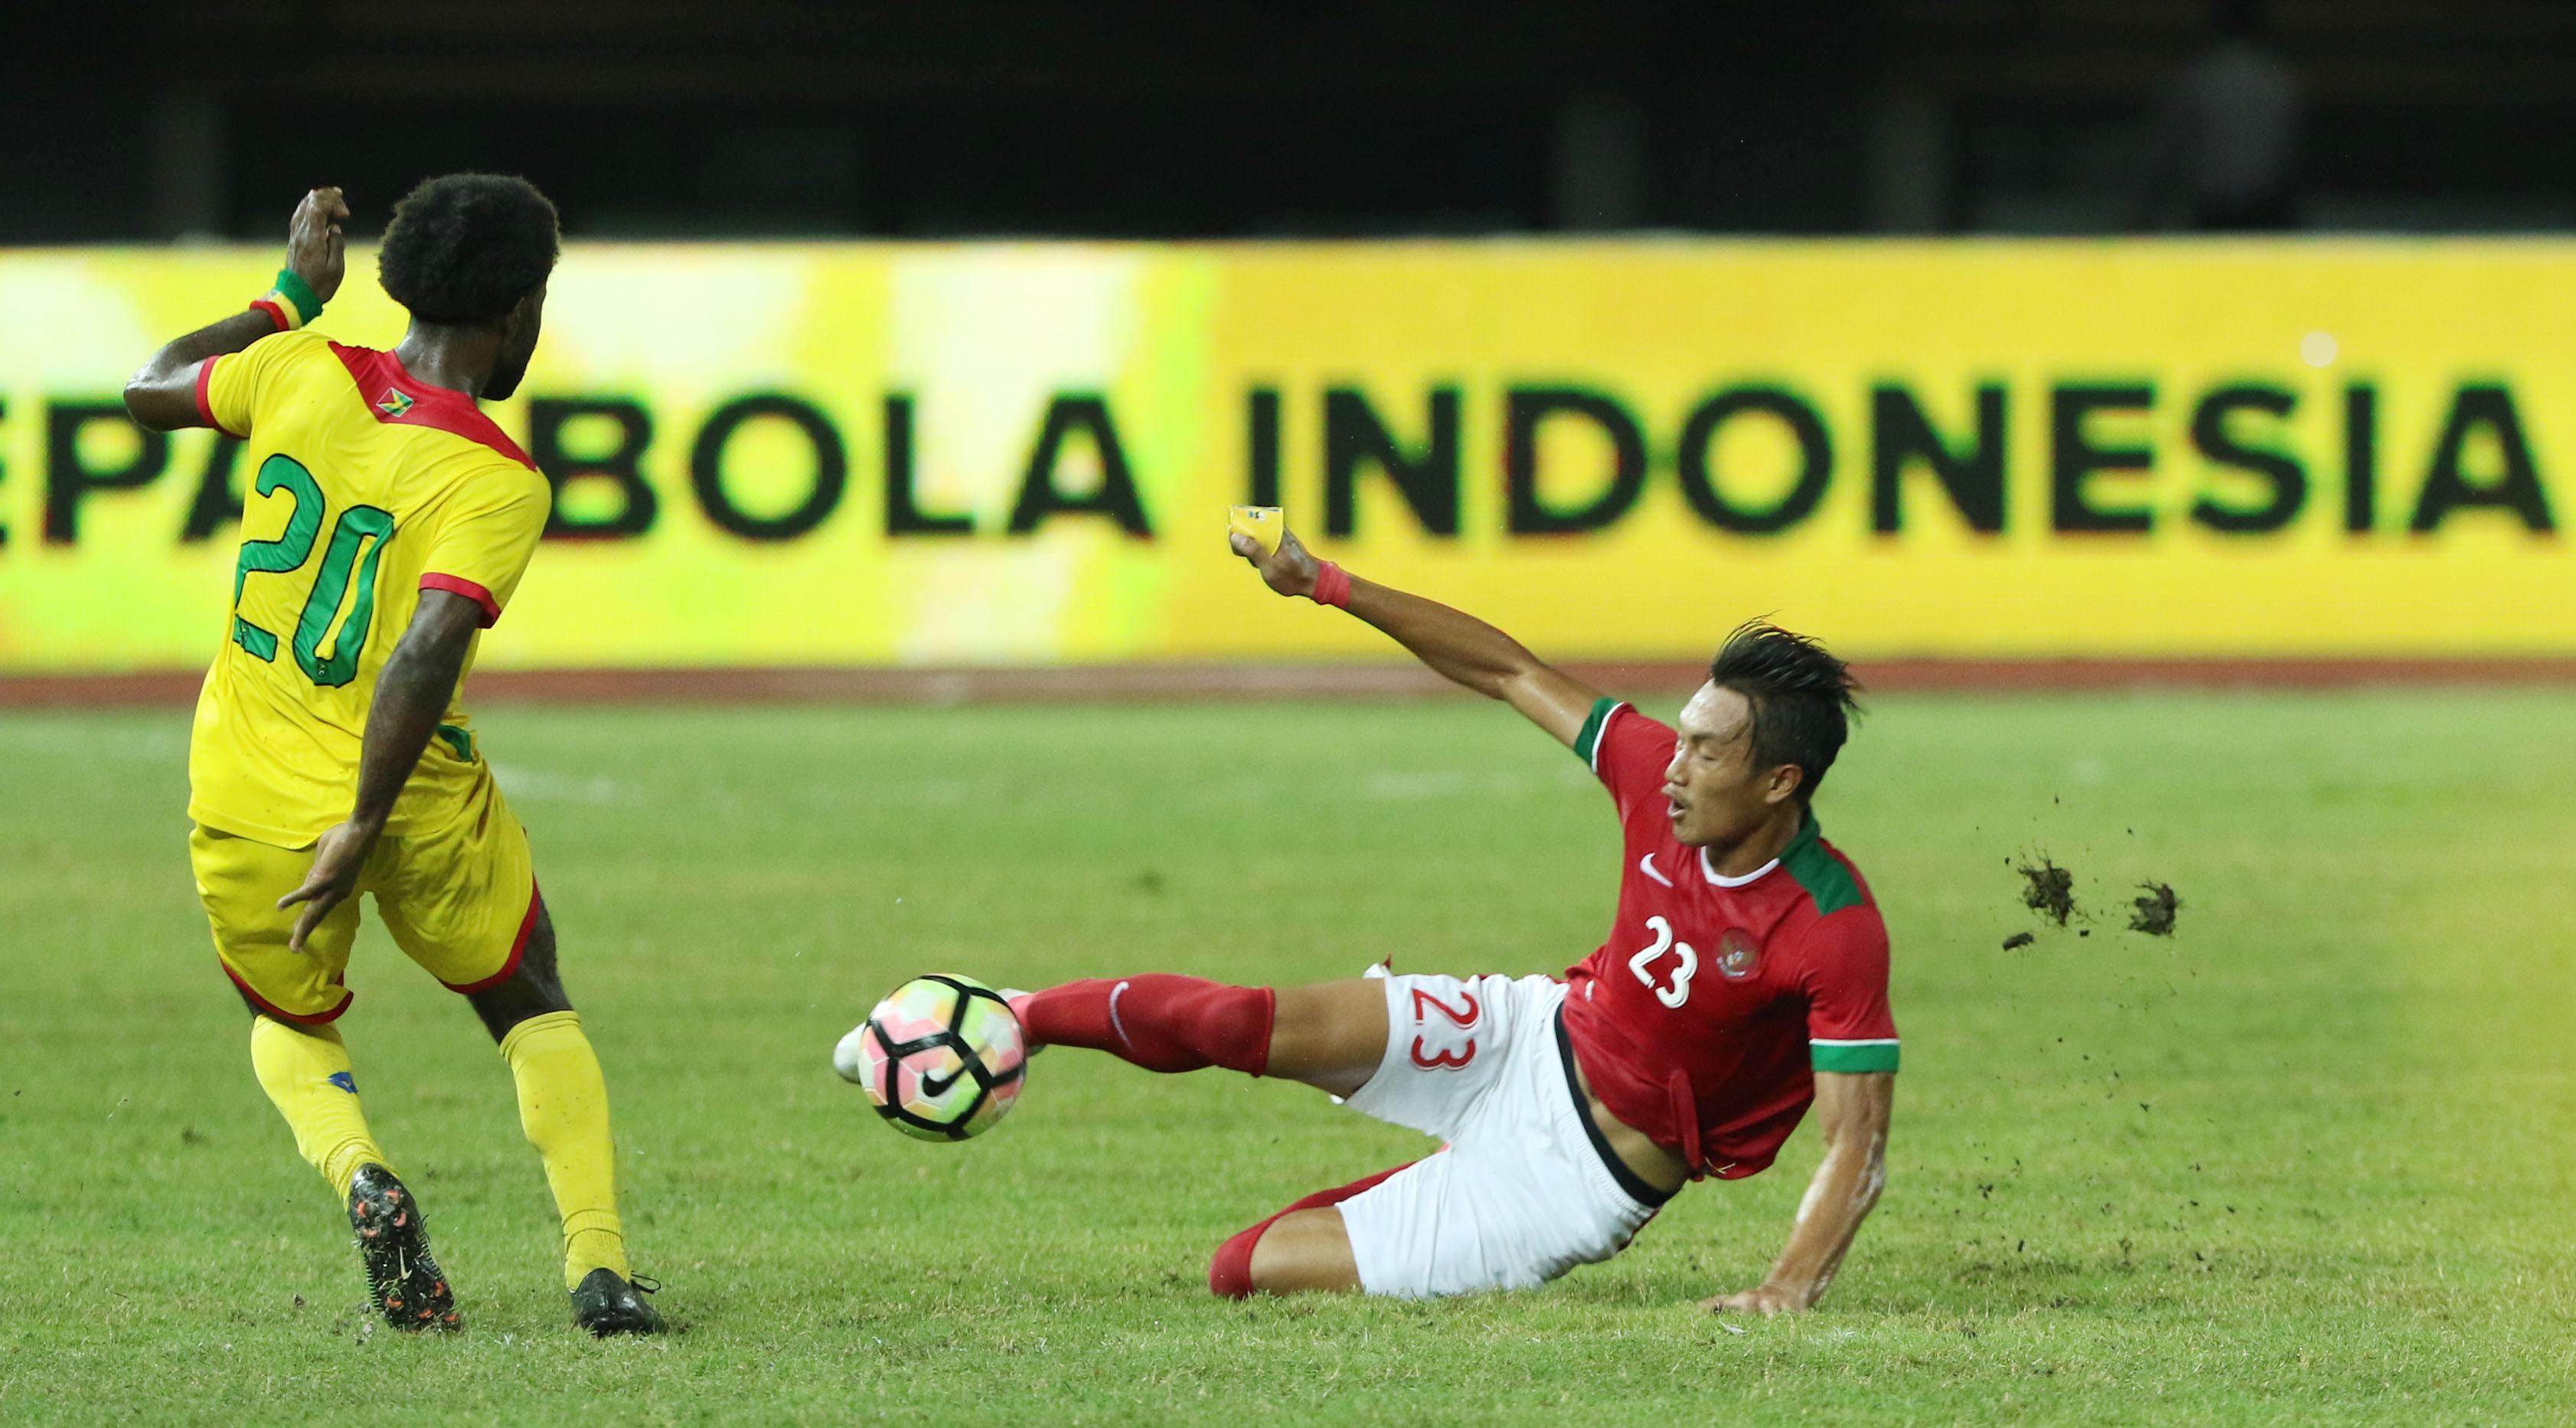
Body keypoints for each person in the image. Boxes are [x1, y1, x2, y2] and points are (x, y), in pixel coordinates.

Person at [1007, 524, 1897, 1307]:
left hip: (1569, 1183)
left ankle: (1422, 1199)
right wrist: (1323, 580)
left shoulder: (1830, 924)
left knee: (1242, 1268)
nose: (1674, 765)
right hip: (1525, 1033)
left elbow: (1854, 1143)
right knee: (1232, 1020)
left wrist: (1785, 1288)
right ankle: (1013, 1016)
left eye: (1705, 752)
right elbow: (1508, 670)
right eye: (1682, 736)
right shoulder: (1651, 769)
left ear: (1780, 780)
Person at [122, 177, 662, 1335]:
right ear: (518, 311)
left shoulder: (300, 369)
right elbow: (426, 645)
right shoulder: (497, 477)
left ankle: (363, 1173)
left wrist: (283, 301)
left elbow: (149, 385)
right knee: (528, 999)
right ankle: (601, 1274)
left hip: (251, 786)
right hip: (409, 794)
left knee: (293, 1020)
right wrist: (366, 817)